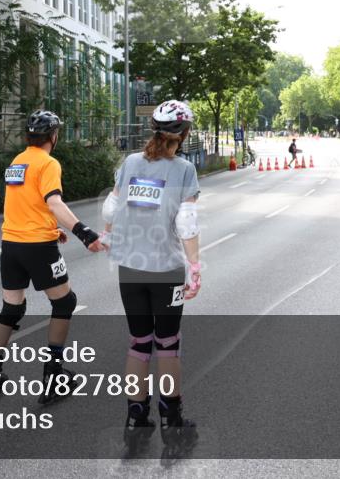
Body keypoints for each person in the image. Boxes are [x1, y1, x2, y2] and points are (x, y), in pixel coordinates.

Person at [0, 109, 105, 406]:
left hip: (11, 244)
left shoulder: (17, 162)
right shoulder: (48, 163)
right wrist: (83, 232)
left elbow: (25, 203)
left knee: (11, 310)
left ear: (28, 137)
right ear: (54, 137)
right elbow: (53, 202)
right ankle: (54, 375)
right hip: (37, 247)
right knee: (65, 302)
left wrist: (52, 228)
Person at [101, 99, 201, 455]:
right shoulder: (184, 169)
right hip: (166, 269)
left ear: (153, 130)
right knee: (168, 343)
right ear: (184, 133)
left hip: (129, 266)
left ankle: (135, 417)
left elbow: (110, 207)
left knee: (139, 343)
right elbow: (186, 224)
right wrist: (195, 268)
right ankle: (172, 420)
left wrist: (111, 236)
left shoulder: (129, 163)